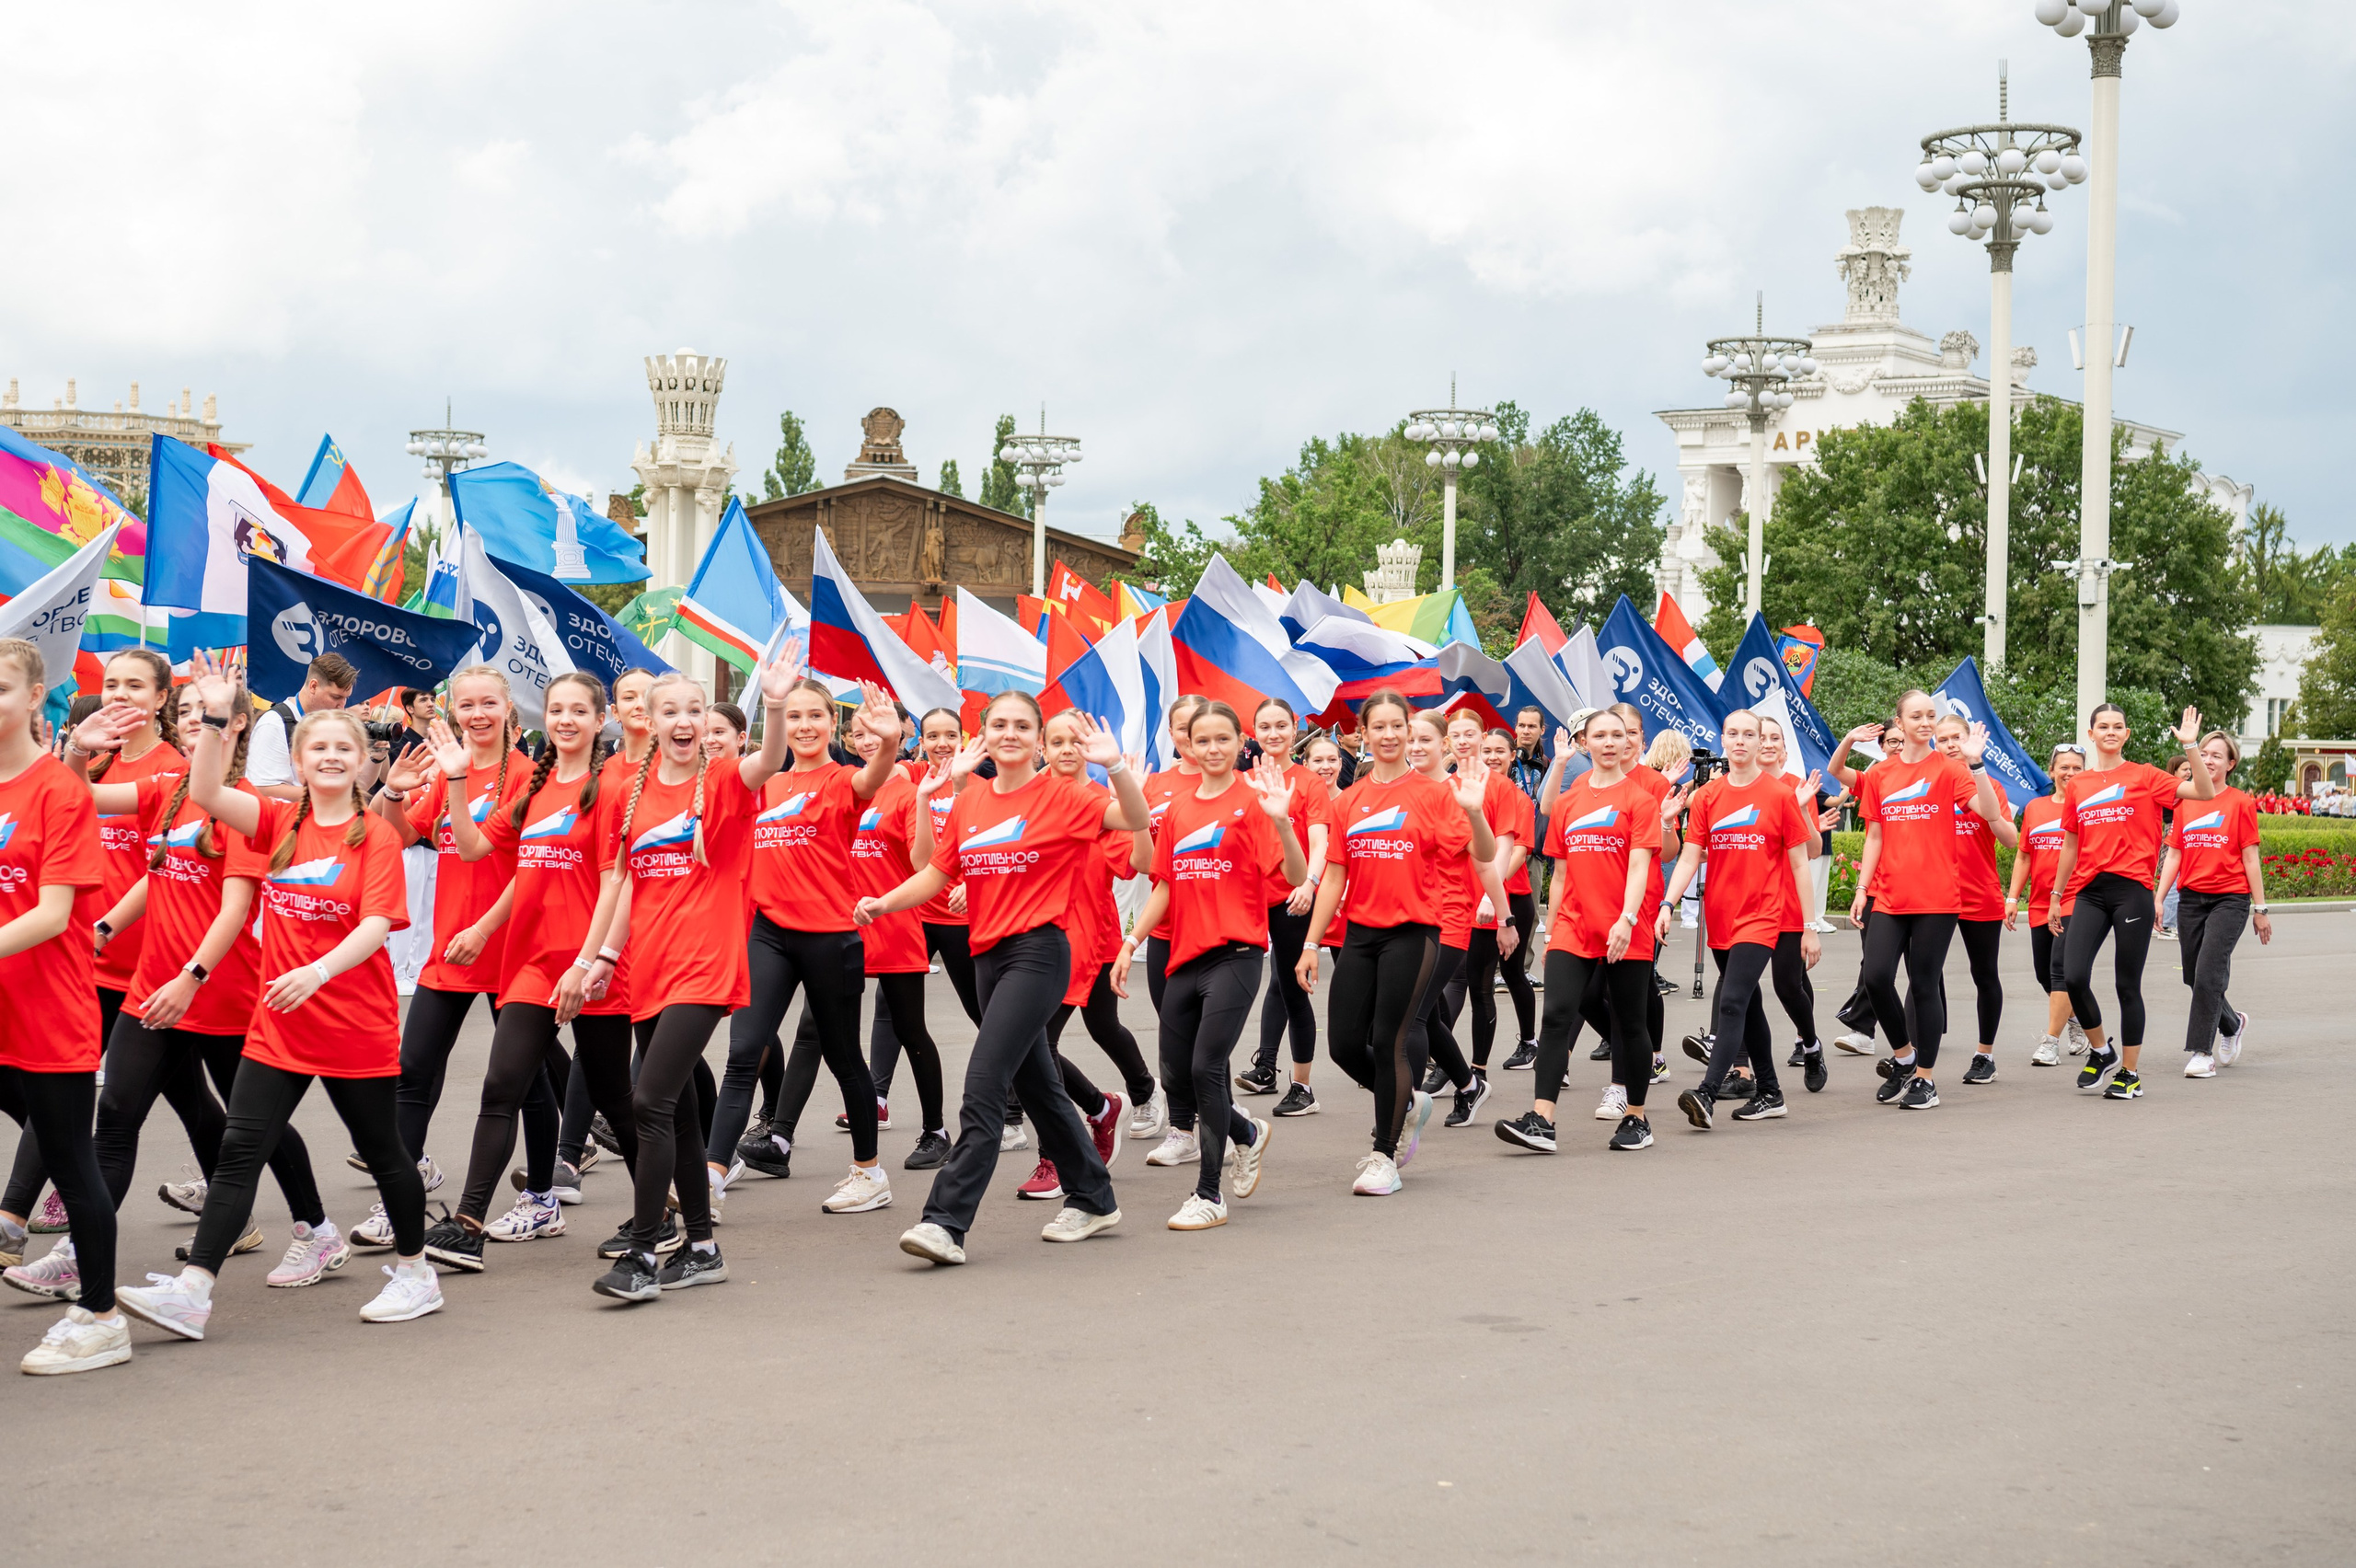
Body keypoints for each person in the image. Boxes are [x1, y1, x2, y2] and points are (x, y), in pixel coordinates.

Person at [116, 653, 435, 1339]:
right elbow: (207, 789)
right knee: (239, 1150)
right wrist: (214, 717)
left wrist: (317, 972)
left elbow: (376, 926)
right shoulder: (274, 821)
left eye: (343, 748)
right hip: (278, 1026)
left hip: (353, 1025)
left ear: (362, 762)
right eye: (317, 747)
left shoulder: (376, 836)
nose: (330, 757)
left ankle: (416, 1273)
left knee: (384, 1151)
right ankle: (193, 1293)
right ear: (297, 760)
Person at [7, 677, 341, 1308]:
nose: (192, 720)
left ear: (235, 725)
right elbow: (88, 805)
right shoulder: (168, 787)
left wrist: (192, 978)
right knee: (115, 1116)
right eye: (185, 711)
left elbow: (235, 908)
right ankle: (77, 1257)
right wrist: (106, 927)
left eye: (206, 712)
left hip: (221, 991)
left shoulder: (242, 804)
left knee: (253, 1125)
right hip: (152, 989)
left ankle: (317, 1229)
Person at [857, 696, 1149, 1266]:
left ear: (1039, 740)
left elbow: (1135, 821)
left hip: (1039, 954)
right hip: (986, 956)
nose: (1009, 733)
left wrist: (1114, 767)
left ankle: (945, 1220)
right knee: (1039, 1086)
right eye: (999, 725)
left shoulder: (1064, 795)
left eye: (1021, 726)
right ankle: (1094, 1198)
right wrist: (883, 903)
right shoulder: (972, 800)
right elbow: (936, 872)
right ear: (984, 735)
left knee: (984, 1082)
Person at [575, 657, 803, 1302]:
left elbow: (769, 761)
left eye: (694, 711)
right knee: (674, 1112)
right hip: (648, 967)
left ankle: (643, 1255)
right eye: (670, 710)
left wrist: (775, 706)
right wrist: (604, 957)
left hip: (705, 965)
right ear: (648, 720)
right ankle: (702, 1248)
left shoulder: (725, 779)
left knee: (648, 1103)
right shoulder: (629, 792)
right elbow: (628, 886)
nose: (684, 721)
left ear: (706, 721)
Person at [410, 672, 645, 1273]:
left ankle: (659, 1214)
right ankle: (468, 1225)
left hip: (590, 966)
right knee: (501, 1087)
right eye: (556, 710)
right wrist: (455, 778)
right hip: (532, 964)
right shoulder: (534, 790)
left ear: (600, 720)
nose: (566, 720)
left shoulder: (611, 788)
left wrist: (587, 964)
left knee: (615, 1099)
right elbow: (473, 850)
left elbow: (616, 883)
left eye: (579, 711)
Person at [4, 648, 188, 1241]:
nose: (120, 695)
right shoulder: (100, 763)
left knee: (123, 1107)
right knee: (184, 1105)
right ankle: (20, 1212)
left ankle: (19, 1215)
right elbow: (68, 796)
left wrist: (104, 925)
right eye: (111, 684)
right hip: (88, 960)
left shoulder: (173, 769)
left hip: (145, 963)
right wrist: (79, 751)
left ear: (161, 698)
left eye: (135, 685)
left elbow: (159, 870)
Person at [702, 680, 903, 1225]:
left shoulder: (842, 780)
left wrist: (888, 742)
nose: (805, 725)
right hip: (768, 933)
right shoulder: (765, 782)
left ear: (833, 724)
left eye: (816, 715)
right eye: (794, 716)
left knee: (844, 1058)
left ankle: (869, 1173)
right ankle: (711, 1177)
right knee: (744, 1053)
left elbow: (874, 776)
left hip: (830, 936)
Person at [1293, 688, 1495, 1194]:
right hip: (1361, 934)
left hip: (1414, 932)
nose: (1388, 735)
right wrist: (1311, 944)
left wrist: (1474, 811)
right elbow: (1334, 877)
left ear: (1409, 731)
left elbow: (1484, 852)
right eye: (1378, 727)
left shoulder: (1435, 793)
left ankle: (1385, 1155)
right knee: (1343, 1045)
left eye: (1396, 726)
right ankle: (1404, 1100)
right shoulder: (1349, 799)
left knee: (1390, 1042)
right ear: (1363, 733)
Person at [1112, 701, 1298, 1229]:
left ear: (1241, 742)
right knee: (1178, 1073)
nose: (1213, 748)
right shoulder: (1178, 810)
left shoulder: (1256, 801)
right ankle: (1246, 1132)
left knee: (1205, 1067)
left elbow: (1294, 874)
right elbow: (1164, 886)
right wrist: (1131, 942)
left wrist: (1283, 823)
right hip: (1183, 956)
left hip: (1236, 953)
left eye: (1223, 739)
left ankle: (1209, 1194)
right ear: (1187, 745)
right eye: (1203, 740)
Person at [0, 638, 130, 1374]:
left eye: (1, 688)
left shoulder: (59, 791)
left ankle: (102, 1317)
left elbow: (53, 914)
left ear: (34, 697)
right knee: (56, 1147)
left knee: (72, 1163)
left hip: (48, 1010)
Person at [364, 668, 525, 1240]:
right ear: (452, 712)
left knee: (525, 1085)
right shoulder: (445, 771)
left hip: (511, 948)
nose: (477, 714)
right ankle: (397, 1202)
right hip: (450, 949)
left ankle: (542, 1194)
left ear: (508, 708)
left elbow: (534, 870)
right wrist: (393, 791)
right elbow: (397, 836)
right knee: (412, 1072)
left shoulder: (527, 776)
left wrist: (485, 928)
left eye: (488, 703)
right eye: (466, 705)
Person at [1495, 705, 1668, 1155]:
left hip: (1625, 927)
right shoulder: (1570, 801)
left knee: (1630, 1022)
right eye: (1600, 736)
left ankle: (1636, 1117)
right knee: (1556, 1017)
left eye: (1617, 735)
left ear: (1628, 743)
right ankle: (1542, 1119)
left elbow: (1640, 867)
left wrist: (1627, 919)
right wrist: (1552, 929)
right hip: (1574, 926)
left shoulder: (1640, 801)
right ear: (1584, 743)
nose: (1609, 743)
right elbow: (1562, 873)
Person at [1657, 708, 1819, 1130]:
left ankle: (1707, 1093)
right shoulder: (1707, 797)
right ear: (1724, 740)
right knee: (1750, 1005)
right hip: (1721, 916)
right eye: (1734, 734)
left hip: (1763, 915)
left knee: (1731, 1001)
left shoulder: (1779, 795)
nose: (1742, 741)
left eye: (1750, 734)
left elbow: (1800, 864)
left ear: (1759, 740)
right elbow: (1689, 857)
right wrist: (1668, 905)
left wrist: (1809, 926)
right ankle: (1771, 1092)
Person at [1011, 708, 1146, 1202]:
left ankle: (1058, 1156)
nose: (1067, 750)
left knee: (1038, 1045)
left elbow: (1138, 864)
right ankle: (1102, 1107)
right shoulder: (1025, 797)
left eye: (1077, 742)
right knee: (1032, 1046)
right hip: (1025, 936)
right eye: (1057, 741)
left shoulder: (1103, 805)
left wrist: (1133, 800)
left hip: (1083, 941)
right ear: (1042, 747)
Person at [2049, 703, 2216, 1101]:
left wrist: (2190, 746)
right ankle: (2101, 1051)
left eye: (2118, 726)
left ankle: (2130, 1073)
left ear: (2127, 734)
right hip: (2089, 892)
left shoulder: (2145, 776)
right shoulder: (2079, 784)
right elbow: (2070, 843)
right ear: (2091, 734)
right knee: (2074, 977)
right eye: (2103, 726)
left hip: (2132, 893)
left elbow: (2205, 791)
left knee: (2127, 984)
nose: (2110, 731)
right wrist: (2057, 895)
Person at [1846, 692, 2001, 1111]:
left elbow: (1988, 812)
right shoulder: (1881, 773)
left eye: (1931, 715)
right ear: (1899, 722)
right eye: (1916, 716)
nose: (1926, 722)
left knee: (1923, 983)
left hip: (1937, 898)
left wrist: (1976, 764)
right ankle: (1904, 1057)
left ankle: (1925, 1079)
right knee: (1876, 976)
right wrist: (1862, 888)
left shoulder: (1950, 770)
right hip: (1890, 895)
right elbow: (1875, 837)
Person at [556, 667, 657, 1181]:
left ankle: (709, 1151)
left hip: (658, 927)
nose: (638, 704)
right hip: (608, 928)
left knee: (665, 1058)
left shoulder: (675, 768)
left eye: (647, 696)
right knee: (596, 1046)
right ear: (613, 713)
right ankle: (569, 1155)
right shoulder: (604, 775)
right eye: (628, 697)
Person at [1413, 710, 1515, 1127]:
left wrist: (1504, 917)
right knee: (1429, 1015)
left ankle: (1402, 1108)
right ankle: (1469, 1085)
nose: (1415, 746)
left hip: (1452, 918)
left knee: (1415, 1014)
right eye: (1410, 738)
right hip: (1409, 920)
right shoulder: (1402, 791)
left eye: (1424, 739)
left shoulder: (1467, 791)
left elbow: (1490, 860)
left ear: (1444, 745)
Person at [2154, 732, 2269, 1077]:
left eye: (2217, 756)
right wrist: (2158, 898)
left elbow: (2251, 858)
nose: (2208, 760)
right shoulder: (2185, 801)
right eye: (2203, 753)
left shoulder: (2240, 803)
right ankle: (2233, 1024)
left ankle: (2201, 1053)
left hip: (2230, 899)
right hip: (2191, 898)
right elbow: (2175, 854)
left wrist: (2260, 909)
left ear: (2231, 764)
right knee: (2193, 975)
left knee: (2208, 973)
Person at [1432, 721, 1531, 1113]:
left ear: (1483, 739)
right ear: (1447, 741)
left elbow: (1507, 847)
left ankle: (1477, 1071)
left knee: (1480, 985)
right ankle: (1449, 1064)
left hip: (1488, 901)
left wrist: (1495, 898)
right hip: (1447, 902)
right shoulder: (1441, 784)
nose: (1463, 741)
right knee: (1446, 986)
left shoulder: (1502, 788)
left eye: (1470, 735)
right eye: (1455, 735)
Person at [1236, 698, 1331, 1110]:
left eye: (1281, 725)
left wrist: (1310, 883)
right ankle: (1249, 1073)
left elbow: (1320, 841)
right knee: (1234, 989)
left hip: (1293, 898)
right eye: (1265, 727)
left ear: (1295, 729)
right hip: (1247, 898)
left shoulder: (1308, 783)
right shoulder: (1241, 782)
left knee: (1293, 989)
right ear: (1253, 732)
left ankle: (1302, 1087)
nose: (1273, 734)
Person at [1135, 696, 1207, 1166]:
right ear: (1172, 733)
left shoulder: (1239, 787)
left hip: (1217, 934)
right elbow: (1143, 864)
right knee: (1174, 1034)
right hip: (1166, 930)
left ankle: (1217, 1118)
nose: (1192, 737)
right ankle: (1184, 1128)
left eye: (1200, 726)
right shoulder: (1153, 786)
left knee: (1208, 1041)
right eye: (1182, 728)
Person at [1933, 713, 2018, 1086]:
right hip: (1932, 896)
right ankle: (1915, 1056)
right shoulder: (1926, 785)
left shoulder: (1989, 785)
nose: (1951, 744)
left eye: (1957, 737)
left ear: (1970, 740)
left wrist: (1978, 772)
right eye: (1943, 739)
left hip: (1978, 893)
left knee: (1984, 975)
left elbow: (2010, 840)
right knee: (1923, 976)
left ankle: (1985, 1055)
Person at [2007, 744, 2092, 1066]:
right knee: (2045, 975)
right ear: (2052, 771)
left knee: (2060, 971)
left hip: (2076, 900)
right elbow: (2024, 856)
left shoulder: (2089, 808)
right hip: (2040, 903)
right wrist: (2013, 897)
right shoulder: (2035, 808)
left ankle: (2050, 1042)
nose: (2070, 773)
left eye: (2077, 768)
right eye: (2064, 767)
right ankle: (2080, 1021)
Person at [245, 652, 357, 801]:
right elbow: (263, 788)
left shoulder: (329, 725)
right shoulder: (274, 724)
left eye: (346, 698)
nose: (342, 706)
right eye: (336, 697)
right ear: (313, 686)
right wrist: (327, 794)